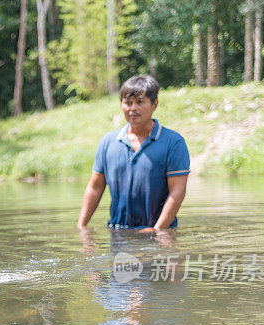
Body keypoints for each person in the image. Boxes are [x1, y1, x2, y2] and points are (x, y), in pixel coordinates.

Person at [76, 75, 190, 231]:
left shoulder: (173, 142)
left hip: (161, 233)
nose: (133, 108)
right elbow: (95, 188)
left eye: (140, 102)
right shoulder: (108, 142)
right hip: (118, 232)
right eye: (128, 103)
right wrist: (82, 227)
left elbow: (177, 191)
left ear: (154, 104)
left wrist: (157, 230)